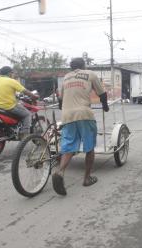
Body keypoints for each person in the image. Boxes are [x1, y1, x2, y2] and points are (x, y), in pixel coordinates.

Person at [52, 57, 109, 196]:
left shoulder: (66, 78)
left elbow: (60, 100)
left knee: (69, 147)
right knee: (89, 147)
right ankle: (87, 178)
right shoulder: (90, 74)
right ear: (83, 66)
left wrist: (65, 107)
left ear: (71, 67)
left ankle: (60, 172)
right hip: (84, 114)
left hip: (67, 116)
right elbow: (102, 93)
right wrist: (105, 106)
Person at [0, 66, 38, 138]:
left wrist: (15, 96)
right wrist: (34, 96)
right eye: (12, 73)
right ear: (9, 73)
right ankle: (25, 135)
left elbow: (4, 92)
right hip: (9, 106)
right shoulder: (12, 81)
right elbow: (24, 91)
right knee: (27, 114)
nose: (12, 75)